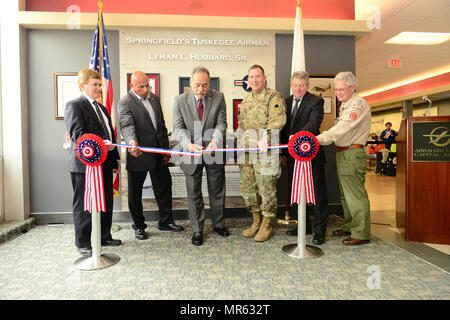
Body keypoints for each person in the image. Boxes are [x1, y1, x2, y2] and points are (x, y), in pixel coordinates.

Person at [118, 71, 184, 240]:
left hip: (158, 153)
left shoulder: (154, 98)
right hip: (138, 153)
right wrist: (131, 141)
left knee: (164, 188)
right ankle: (139, 226)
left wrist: (166, 150)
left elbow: (160, 125)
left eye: (148, 85)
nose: (146, 89)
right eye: (141, 86)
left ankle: (165, 221)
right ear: (132, 86)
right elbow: (126, 125)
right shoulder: (125, 102)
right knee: (135, 193)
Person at [64, 68, 121, 256]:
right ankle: (83, 242)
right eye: (95, 85)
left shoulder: (102, 108)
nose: (99, 88)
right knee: (84, 204)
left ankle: (104, 235)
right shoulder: (74, 105)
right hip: (85, 166)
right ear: (83, 85)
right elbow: (78, 135)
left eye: (100, 85)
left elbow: (109, 135)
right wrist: (103, 146)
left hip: (105, 163)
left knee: (105, 201)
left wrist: (115, 159)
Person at [173, 66, 229, 246]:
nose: (201, 89)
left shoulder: (218, 97)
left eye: (205, 85)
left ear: (209, 83)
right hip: (191, 152)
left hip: (213, 152)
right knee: (193, 193)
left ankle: (219, 224)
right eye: (197, 85)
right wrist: (188, 144)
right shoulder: (179, 100)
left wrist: (215, 141)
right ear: (191, 83)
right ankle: (197, 230)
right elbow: (178, 128)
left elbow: (221, 124)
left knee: (217, 190)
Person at [316, 71, 371, 246]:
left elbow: (341, 129)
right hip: (343, 152)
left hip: (352, 153)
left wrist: (314, 140)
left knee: (355, 195)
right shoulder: (346, 104)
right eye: (336, 90)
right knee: (345, 195)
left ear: (352, 88)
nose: (338, 93)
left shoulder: (358, 105)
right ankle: (349, 225)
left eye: (342, 89)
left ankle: (361, 233)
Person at [238, 64, 286, 242]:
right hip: (247, 154)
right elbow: (241, 127)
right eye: (251, 77)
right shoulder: (245, 101)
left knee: (267, 189)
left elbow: (277, 120)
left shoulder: (273, 97)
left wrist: (266, 137)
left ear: (264, 78)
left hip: (266, 153)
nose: (254, 80)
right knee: (249, 189)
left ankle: (267, 225)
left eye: (258, 76)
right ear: (248, 79)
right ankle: (256, 221)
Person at [281, 71, 328, 245]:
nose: (298, 89)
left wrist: (296, 138)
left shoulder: (316, 101)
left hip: (311, 156)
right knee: (296, 192)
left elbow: (313, 124)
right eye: (295, 85)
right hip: (291, 156)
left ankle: (319, 231)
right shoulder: (285, 102)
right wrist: (283, 152)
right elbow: (282, 128)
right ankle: (303, 225)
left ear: (307, 85)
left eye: (301, 85)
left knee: (317, 195)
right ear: (291, 85)